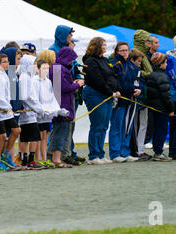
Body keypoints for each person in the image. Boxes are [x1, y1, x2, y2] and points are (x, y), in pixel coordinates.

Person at [82, 37, 120, 165]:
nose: (105, 46)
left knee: (104, 125)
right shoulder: (91, 61)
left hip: (107, 94)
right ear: (97, 46)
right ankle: (93, 155)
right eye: (103, 44)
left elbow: (111, 76)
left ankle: (100, 154)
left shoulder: (104, 60)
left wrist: (116, 90)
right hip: (95, 94)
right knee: (97, 125)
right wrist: (110, 92)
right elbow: (97, 80)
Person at [48, 47, 83, 167]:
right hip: (62, 106)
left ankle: (55, 158)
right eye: (71, 59)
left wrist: (72, 85)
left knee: (61, 132)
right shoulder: (58, 68)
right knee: (60, 133)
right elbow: (61, 88)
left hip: (63, 105)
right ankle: (56, 159)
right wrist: (76, 85)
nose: (71, 62)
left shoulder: (59, 68)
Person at [108, 42, 141, 163]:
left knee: (127, 127)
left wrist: (139, 89)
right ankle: (115, 153)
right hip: (119, 100)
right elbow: (116, 82)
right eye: (122, 50)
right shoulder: (114, 64)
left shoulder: (132, 66)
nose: (124, 52)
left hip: (129, 100)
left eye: (126, 50)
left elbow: (138, 81)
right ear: (117, 51)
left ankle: (125, 152)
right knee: (116, 127)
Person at [0, 53, 21, 171]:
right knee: (2, 136)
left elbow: (6, 93)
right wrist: (5, 106)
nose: (7, 64)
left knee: (16, 130)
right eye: (4, 62)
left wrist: (9, 107)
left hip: (7, 109)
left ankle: (6, 155)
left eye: (7, 61)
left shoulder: (4, 74)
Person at [34, 59, 66, 168]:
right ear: (38, 69)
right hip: (40, 114)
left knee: (45, 136)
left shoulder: (48, 81)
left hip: (48, 114)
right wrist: (41, 110)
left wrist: (57, 109)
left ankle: (44, 158)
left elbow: (52, 97)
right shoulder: (34, 81)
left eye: (47, 68)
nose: (45, 70)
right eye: (43, 68)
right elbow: (35, 98)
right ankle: (37, 159)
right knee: (40, 136)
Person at [17, 55, 45, 169]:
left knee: (24, 137)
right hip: (29, 113)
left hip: (28, 112)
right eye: (33, 63)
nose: (35, 66)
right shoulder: (25, 77)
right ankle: (31, 160)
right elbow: (27, 96)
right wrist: (39, 108)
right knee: (34, 137)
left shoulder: (26, 76)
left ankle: (24, 160)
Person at [146, 53, 174, 162]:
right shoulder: (162, 76)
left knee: (156, 130)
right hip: (162, 108)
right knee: (161, 130)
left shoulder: (151, 75)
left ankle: (157, 151)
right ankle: (158, 152)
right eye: (165, 62)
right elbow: (166, 95)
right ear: (160, 64)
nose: (166, 64)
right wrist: (171, 109)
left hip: (153, 107)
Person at [128, 49, 151, 161]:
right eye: (138, 61)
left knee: (143, 126)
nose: (140, 64)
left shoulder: (138, 71)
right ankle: (137, 150)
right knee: (137, 127)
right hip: (136, 103)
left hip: (142, 102)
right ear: (132, 60)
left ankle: (140, 149)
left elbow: (141, 85)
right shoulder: (131, 70)